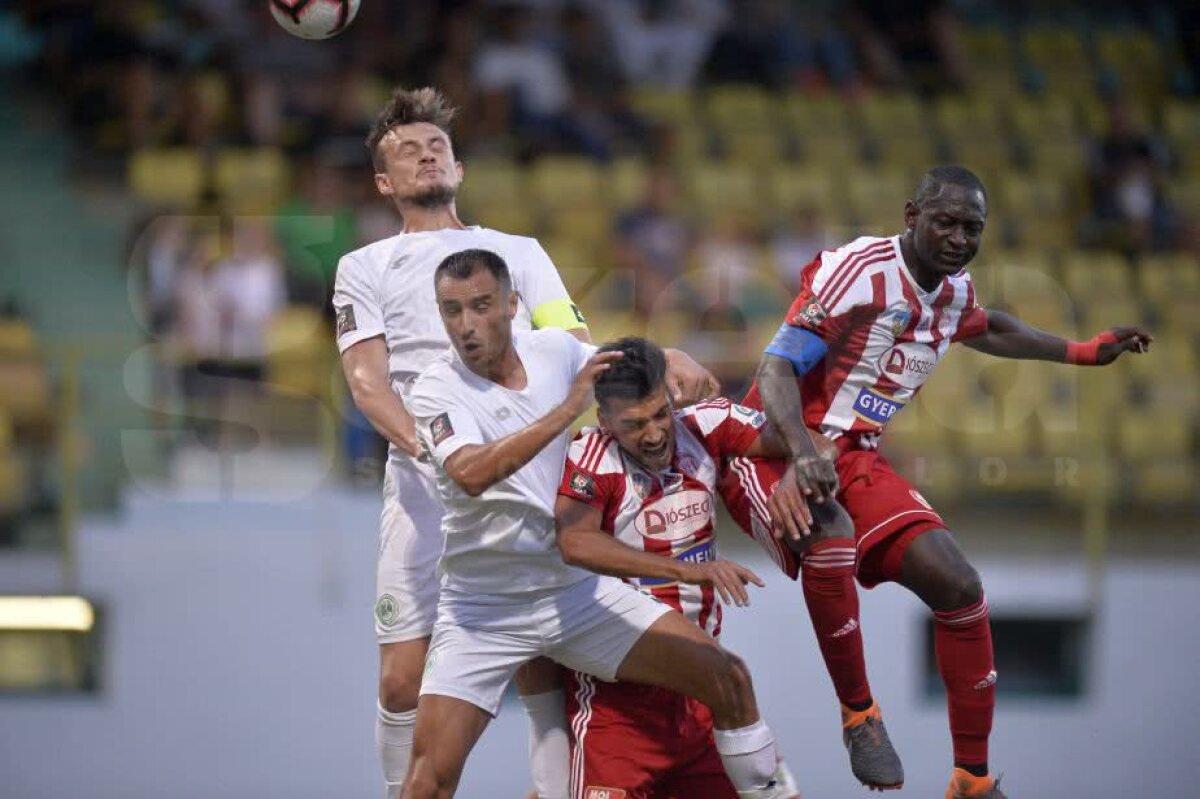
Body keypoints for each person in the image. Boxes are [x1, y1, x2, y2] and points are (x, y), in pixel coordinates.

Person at [333, 86, 717, 799]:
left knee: (541, 653)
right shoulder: (365, 266)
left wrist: (660, 355)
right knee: (402, 678)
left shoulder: (518, 253)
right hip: (424, 484)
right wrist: (435, 451)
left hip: (528, 475)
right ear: (384, 182)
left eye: (437, 145)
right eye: (408, 151)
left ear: (459, 166)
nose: (426, 155)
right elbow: (367, 382)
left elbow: (576, 348)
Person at [730, 165, 1152, 799]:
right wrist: (799, 451)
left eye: (971, 228)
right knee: (832, 535)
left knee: (960, 585)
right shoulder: (858, 271)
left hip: (854, 457)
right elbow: (775, 367)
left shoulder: (954, 292)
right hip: (771, 448)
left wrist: (1084, 351)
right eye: (945, 222)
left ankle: (971, 779)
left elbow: (992, 327)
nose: (959, 239)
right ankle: (861, 717)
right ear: (912, 216)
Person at [402, 249, 789, 799]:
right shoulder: (436, 388)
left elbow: (625, 366)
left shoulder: (555, 349)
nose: (466, 324)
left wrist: (671, 354)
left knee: (726, 674)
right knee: (429, 781)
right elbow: (469, 473)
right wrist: (566, 410)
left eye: (481, 305)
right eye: (452, 310)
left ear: (512, 305)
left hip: (574, 594)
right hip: (484, 608)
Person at [556, 336, 828, 798]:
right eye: (634, 424)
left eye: (660, 414)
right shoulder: (590, 458)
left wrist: (793, 472)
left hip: (701, 700)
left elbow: (818, 442)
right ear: (605, 422)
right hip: (617, 707)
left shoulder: (706, 424)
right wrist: (687, 571)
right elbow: (574, 540)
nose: (654, 434)